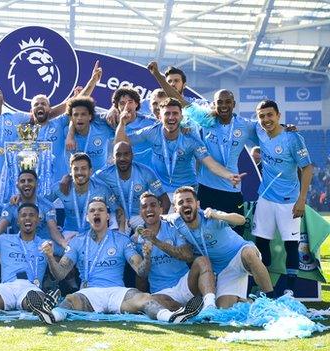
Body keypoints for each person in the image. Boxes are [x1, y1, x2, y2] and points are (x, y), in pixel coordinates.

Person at [35, 197, 203, 324]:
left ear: (107, 216)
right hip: (90, 292)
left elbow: (141, 271)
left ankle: (171, 317)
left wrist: (147, 257)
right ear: (87, 217)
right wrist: (50, 257)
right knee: (71, 299)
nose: (96, 213)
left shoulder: (122, 240)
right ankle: (52, 316)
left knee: (144, 298)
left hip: (118, 293)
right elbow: (60, 274)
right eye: (92, 211)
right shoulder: (77, 242)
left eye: (100, 210)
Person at [115, 98, 243, 206]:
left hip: (187, 191)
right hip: (160, 191)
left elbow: (210, 163)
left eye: (175, 113)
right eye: (167, 114)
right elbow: (122, 143)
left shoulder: (191, 139)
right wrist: (122, 123)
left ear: (181, 116)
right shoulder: (151, 132)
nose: (171, 117)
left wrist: (229, 175)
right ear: (160, 117)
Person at [170, 186, 275, 308]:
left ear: (197, 204)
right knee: (223, 310)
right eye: (181, 202)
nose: (185, 204)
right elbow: (163, 217)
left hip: (239, 254)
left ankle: (272, 300)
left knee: (249, 254)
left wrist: (218, 215)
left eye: (189, 201)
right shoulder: (176, 221)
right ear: (175, 208)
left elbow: (241, 220)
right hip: (223, 270)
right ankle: (248, 303)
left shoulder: (210, 217)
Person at [252, 100, 313, 294]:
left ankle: (290, 291)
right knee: (261, 242)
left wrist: (302, 199)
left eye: (270, 115)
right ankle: (264, 286)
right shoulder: (259, 131)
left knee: (291, 245)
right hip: (266, 197)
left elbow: (307, 168)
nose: (266, 119)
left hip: (289, 201)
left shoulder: (293, 138)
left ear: (278, 115)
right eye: (262, 116)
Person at [136, 192, 216, 312]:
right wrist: (147, 258)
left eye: (153, 205)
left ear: (161, 209)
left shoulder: (173, 228)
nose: (149, 209)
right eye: (144, 207)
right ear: (140, 213)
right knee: (149, 301)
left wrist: (156, 241)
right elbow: (141, 275)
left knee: (202, 260)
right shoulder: (136, 239)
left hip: (185, 284)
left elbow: (188, 256)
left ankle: (210, 306)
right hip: (162, 292)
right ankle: (189, 310)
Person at [94, 141, 170, 230]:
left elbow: (165, 201)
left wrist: (159, 225)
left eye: (126, 154)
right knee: (115, 241)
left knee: (147, 241)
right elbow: (88, 182)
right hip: (117, 215)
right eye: (118, 155)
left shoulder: (146, 172)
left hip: (141, 216)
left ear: (132, 155)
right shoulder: (103, 174)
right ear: (113, 158)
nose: (122, 158)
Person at [0, 170, 66, 250]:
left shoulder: (47, 206)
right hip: (19, 247)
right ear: (17, 185)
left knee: (62, 255)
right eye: (23, 181)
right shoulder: (11, 206)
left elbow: (54, 230)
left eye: (30, 181)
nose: (26, 183)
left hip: (42, 246)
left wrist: (63, 243)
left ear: (37, 184)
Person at [49, 153, 117, 239]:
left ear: (90, 171)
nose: (79, 172)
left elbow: (116, 210)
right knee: (57, 249)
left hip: (94, 232)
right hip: (70, 232)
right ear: (71, 171)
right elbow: (42, 203)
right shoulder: (61, 187)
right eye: (76, 169)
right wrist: (52, 224)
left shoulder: (102, 189)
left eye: (84, 168)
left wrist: (113, 232)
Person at [103, 88, 158, 166]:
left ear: (136, 104)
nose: (126, 106)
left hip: (147, 173)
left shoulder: (151, 123)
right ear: (116, 107)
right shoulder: (109, 123)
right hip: (120, 172)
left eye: (130, 102)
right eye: (122, 103)